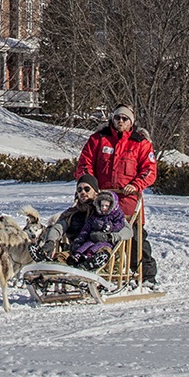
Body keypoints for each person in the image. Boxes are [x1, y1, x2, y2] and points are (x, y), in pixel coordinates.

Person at [75, 104, 159, 285]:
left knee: (135, 239)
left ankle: (147, 276)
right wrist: (90, 185)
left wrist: (136, 184)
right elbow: (84, 164)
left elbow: (149, 170)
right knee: (90, 232)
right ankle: (88, 266)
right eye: (117, 118)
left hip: (128, 200)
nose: (120, 121)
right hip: (101, 199)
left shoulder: (140, 143)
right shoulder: (98, 139)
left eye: (125, 119)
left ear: (131, 122)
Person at [33, 174, 99, 262]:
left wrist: (110, 237)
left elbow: (122, 229)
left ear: (95, 192)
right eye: (79, 190)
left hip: (97, 252)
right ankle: (47, 263)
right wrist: (50, 241)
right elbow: (58, 228)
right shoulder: (72, 213)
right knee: (60, 258)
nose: (83, 192)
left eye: (87, 189)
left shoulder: (104, 211)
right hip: (75, 252)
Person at [68, 189, 130, 270]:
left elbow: (120, 224)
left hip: (107, 241)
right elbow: (86, 229)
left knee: (101, 249)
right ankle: (78, 257)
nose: (104, 208)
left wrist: (110, 229)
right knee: (85, 246)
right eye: (102, 205)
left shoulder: (117, 215)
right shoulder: (95, 216)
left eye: (106, 206)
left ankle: (92, 262)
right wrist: (79, 239)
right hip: (92, 238)